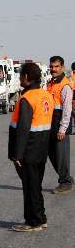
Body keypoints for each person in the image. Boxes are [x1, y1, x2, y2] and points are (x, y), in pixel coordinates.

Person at [9, 63, 54, 232]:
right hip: (42, 148)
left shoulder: (27, 98)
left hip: (28, 150)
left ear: (27, 77)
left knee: (30, 187)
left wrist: (17, 155)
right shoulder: (46, 95)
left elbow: (23, 129)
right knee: (36, 185)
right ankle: (40, 218)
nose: (20, 79)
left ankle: (33, 222)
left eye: (21, 76)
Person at [46, 56, 74, 194]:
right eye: (52, 66)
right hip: (51, 125)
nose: (53, 69)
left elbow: (67, 109)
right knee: (52, 155)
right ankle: (67, 178)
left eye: (56, 66)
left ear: (62, 67)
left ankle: (65, 182)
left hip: (59, 126)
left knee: (61, 156)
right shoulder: (51, 83)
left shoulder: (65, 85)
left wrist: (62, 128)